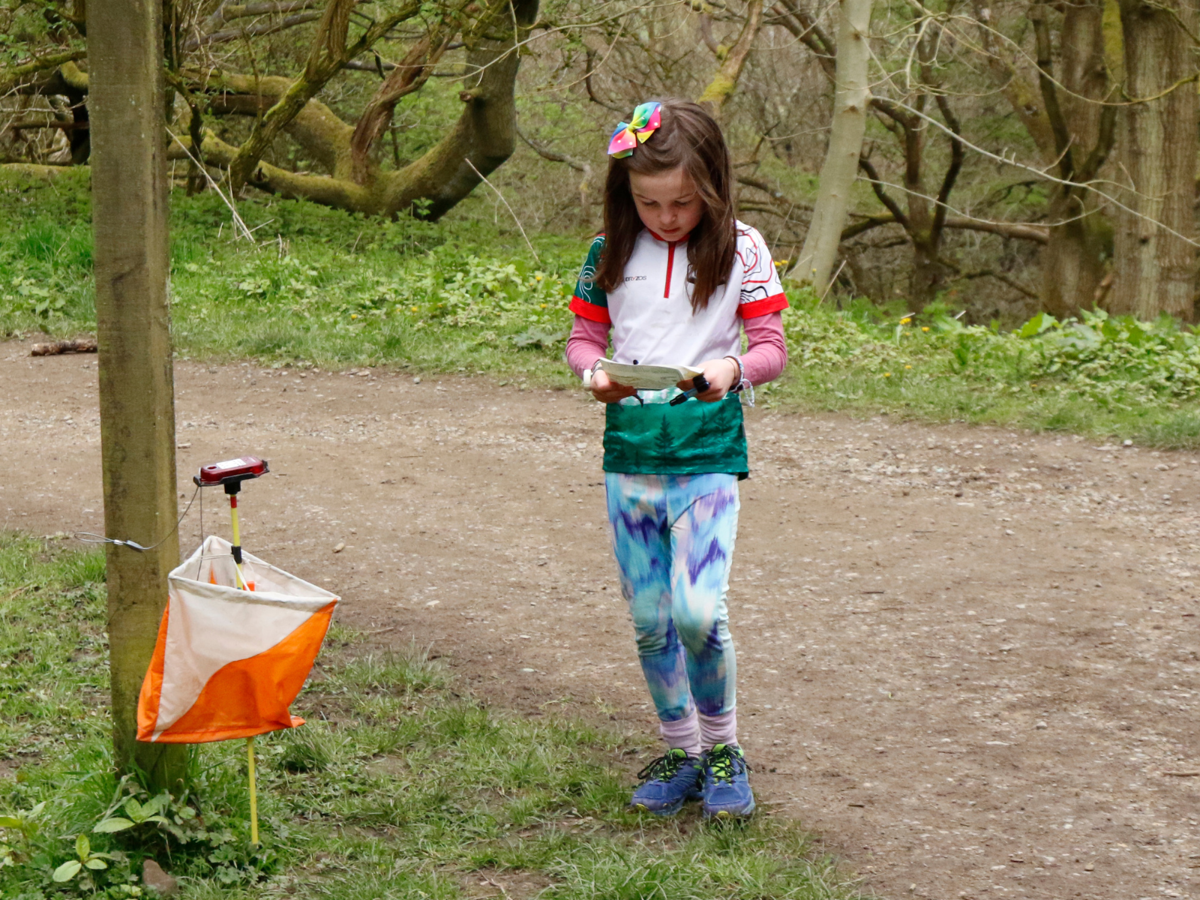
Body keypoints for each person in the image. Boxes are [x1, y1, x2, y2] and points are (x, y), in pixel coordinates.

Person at [564, 98, 789, 819]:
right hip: (629, 458)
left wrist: (732, 368)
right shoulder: (607, 251)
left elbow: (771, 347)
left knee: (698, 613)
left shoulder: (744, 247)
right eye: (648, 201)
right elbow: (582, 341)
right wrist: (592, 375)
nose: (666, 216)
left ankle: (724, 748)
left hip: (708, 457)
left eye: (683, 202)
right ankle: (682, 750)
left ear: (714, 186)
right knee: (652, 617)